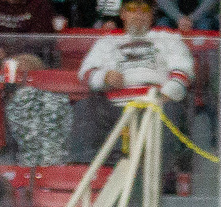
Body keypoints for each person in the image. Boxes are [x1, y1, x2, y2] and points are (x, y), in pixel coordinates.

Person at [78, 0, 197, 196]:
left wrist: (166, 94)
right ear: (123, 13)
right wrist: (104, 77)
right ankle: (91, 175)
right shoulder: (107, 41)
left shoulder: (168, 37)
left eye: (144, 9)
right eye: (133, 9)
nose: (139, 14)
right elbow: (86, 72)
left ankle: (159, 178)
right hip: (114, 104)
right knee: (85, 107)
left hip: (154, 103)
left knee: (172, 111)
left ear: (152, 15)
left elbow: (184, 69)